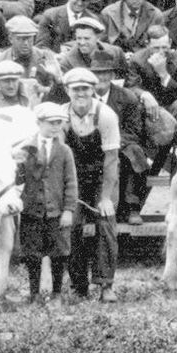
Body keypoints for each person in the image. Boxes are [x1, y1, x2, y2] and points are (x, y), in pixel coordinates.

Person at [61, 68, 122, 301]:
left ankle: (106, 285)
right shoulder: (61, 116)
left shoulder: (105, 115)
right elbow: (60, 159)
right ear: (67, 90)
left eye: (85, 88)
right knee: (70, 224)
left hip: (101, 177)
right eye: (76, 89)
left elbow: (112, 159)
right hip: (73, 178)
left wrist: (105, 197)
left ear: (93, 90)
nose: (81, 93)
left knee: (105, 221)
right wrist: (68, 198)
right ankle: (78, 286)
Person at [18, 102, 79, 301]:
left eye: (59, 123)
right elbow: (18, 178)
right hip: (32, 210)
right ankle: (34, 293)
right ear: (39, 122)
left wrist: (69, 210)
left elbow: (71, 182)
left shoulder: (64, 151)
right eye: (50, 123)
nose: (55, 127)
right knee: (32, 253)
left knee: (59, 253)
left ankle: (56, 293)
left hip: (56, 212)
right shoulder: (26, 148)